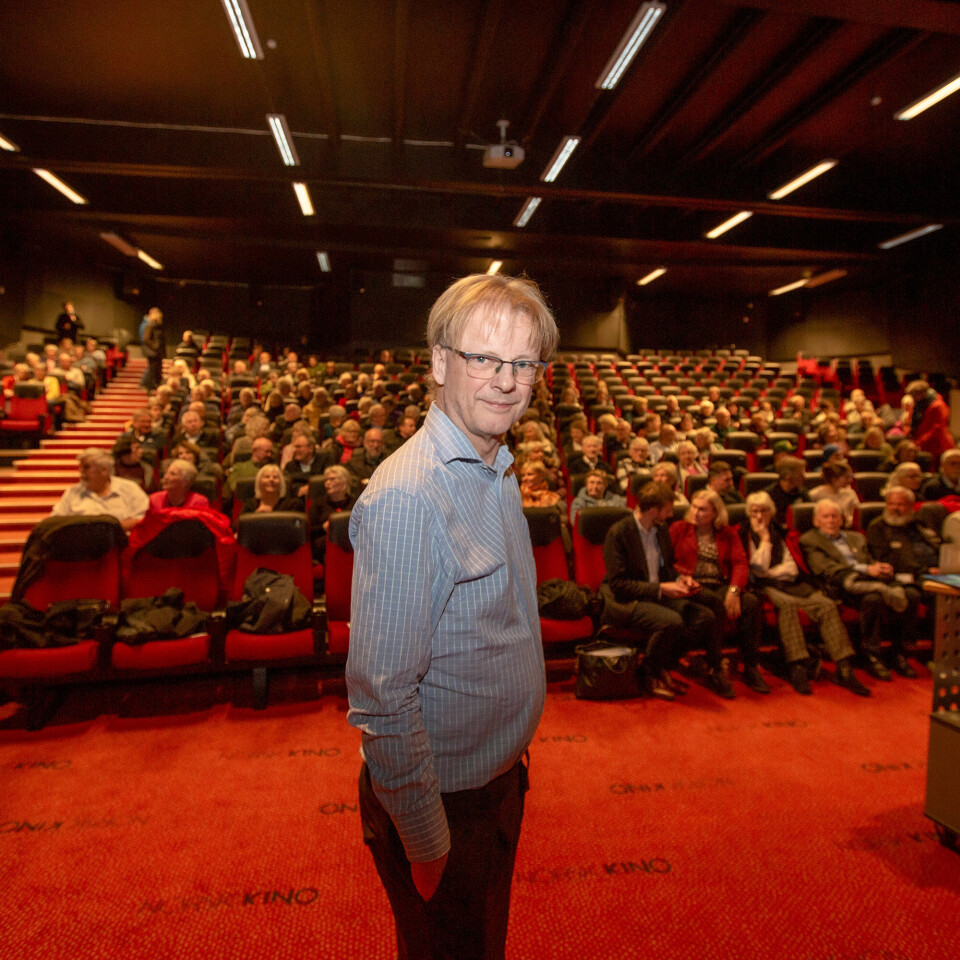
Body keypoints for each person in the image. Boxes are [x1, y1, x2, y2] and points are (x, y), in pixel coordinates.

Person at [347, 273, 558, 959]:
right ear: (440, 362)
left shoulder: (495, 465)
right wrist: (427, 839)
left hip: (495, 781)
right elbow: (383, 697)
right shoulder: (412, 496)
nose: (506, 380)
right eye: (484, 359)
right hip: (445, 806)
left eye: (523, 363)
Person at [600, 481, 726, 700]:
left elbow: (666, 568)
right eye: (667, 509)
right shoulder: (619, 532)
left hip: (656, 592)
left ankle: (659, 667)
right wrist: (660, 588)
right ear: (653, 510)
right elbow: (618, 584)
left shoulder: (660, 529)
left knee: (704, 618)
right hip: (626, 599)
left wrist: (681, 579)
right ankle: (648, 674)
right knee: (672, 622)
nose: (670, 514)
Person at [739, 491, 869, 696]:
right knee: (787, 606)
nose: (759, 516)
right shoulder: (742, 533)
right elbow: (756, 567)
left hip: (792, 584)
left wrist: (770, 571)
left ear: (771, 512)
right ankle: (797, 665)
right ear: (748, 513)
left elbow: (791, 568)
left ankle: (843, 667)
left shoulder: (781, 532)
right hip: (763, 588)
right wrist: (764, 539)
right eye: (754, 511)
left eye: (764, 511)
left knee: (826, 605)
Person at [669, 489, 767, 694]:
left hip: (719, 583)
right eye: (694, 507)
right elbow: (666, 561)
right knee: (715, 604)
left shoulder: (727, 532)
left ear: (715, 512)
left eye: (702, 509)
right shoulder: (679, 528)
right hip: (690, 584)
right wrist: (680, 577)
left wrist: (733, 590)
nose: (696, 512)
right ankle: (715, 668)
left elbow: (740, 562)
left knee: (751, 602)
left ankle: (750, 665)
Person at [800, 499, 907, 682]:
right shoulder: (810, 540)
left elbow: (869, 559)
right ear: (816, 521)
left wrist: (879, 567)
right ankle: (871, 655)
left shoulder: (857, 537)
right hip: (839, 585)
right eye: (826, 517)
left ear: (842, 520)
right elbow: (826, 570)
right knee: (873, 598)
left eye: (835, 516)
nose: (831, 520)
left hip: (867, 578)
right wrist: (866, 569)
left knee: (911, 594)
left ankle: (898, 652)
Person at [865, 485, 940, 676]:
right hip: (898, 578)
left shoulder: (918, 526)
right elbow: (888, 561)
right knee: (911, 595)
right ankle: (900, 652)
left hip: (930, 576)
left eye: (901, 504)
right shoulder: (877, 527)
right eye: (891, 504)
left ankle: (939, 654)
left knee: (946, 597)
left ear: (911, 507)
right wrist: (924, 570)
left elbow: (935, 548)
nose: (895, 508)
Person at [50, 447, 148, 532]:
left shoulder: (129, 489)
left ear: (104, 470)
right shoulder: (73, 492)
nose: (81, 471)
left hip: (121, 546)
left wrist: (111, 529)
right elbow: (55, 520)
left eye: (86, 467)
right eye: (81, 467)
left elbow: (144, 517)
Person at [307, 464, 356, 562]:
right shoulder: (318, 504)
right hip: (324, 549)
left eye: (332, 479)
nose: (327, 483)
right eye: (326, 480)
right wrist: (323, 528)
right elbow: (308, 529)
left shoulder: (356, 503)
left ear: (344, 481)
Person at [905, 379, 954, 466]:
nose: (913, 398)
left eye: (914, 396)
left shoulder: (938, 405)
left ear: (922, 394)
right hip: (925, 445)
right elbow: (912, 422)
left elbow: (938, 428)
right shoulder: (918, 405)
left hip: (938, 446)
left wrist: (920, 441)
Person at [237, 463, 303, 523]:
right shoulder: (250, 505)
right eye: (267, 477)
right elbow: (237, 528)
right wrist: (255, 516)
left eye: (275, 477)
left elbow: (295, 528)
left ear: (281, 483)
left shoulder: (292, 505)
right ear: (259, 483)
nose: (271, 480)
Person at [809, 460, 859, 528]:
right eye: (847, 477)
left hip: (849, 529)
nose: (850, 480)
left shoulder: (850, 493)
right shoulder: (814, 495)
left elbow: (857, 516)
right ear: (833, 478)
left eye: (850, 477)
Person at [764, 456, 808, 525]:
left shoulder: (803, 492)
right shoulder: (768, 496)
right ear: (787, 476)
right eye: (800, 474)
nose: (804, 477)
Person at [140, 307, 165, 391]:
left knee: (157, 369)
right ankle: (147, 386)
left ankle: (155, 386)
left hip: (157, 352)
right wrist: (155, 346)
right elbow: (146, 338)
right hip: (153, 352)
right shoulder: (150, 325)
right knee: (152, 369)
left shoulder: (157, 326)